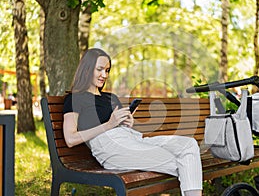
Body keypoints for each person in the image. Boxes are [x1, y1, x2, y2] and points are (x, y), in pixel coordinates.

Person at [63, 48, 203, 196]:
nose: (104, 75)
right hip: (110, 148)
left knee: (189, 145)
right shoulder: (75, 99)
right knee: (182, 163)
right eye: (100, 69)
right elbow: (71, 139)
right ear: (87, 69)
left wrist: (128, 122)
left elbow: (120, 126)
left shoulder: (110, 97)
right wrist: (109, 125)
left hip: (133, 139)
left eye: (107, 70)